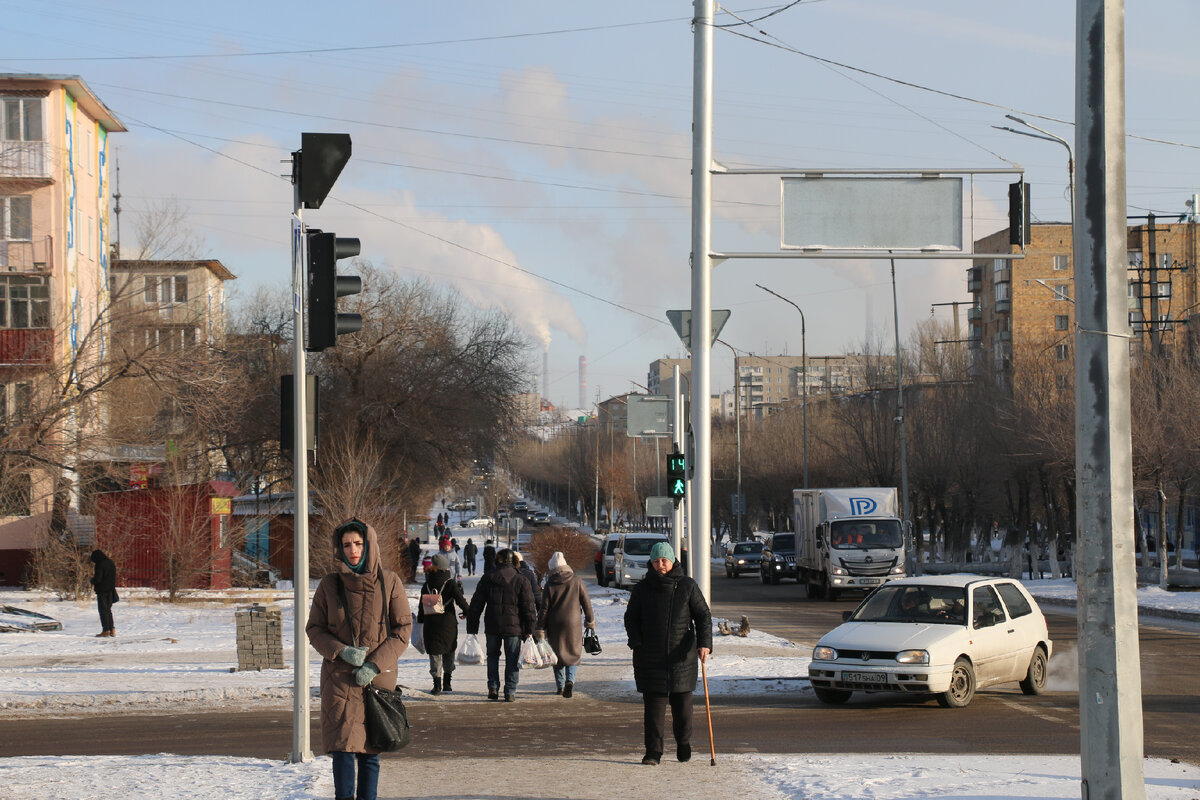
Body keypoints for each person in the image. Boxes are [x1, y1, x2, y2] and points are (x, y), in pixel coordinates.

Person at [306, 520, 411, 800]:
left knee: (370, 753)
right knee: (342, 750)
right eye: (346, 545)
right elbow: (314, 628)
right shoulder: (329, 585)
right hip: (339, 678)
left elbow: (403, 629)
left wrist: (374, 664)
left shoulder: (389, 582)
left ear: (369, 545)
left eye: (358, 543)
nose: (352, 550)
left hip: (376, 680)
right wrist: (341, 651)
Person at [624, 541, 712, 766]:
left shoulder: (687, 586)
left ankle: (684, 743)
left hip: (682, 658)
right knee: (653, 713)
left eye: (664, 560)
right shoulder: (642, 588)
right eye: (656, 561)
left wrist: (705, 644)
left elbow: (703, 616)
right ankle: (653, 752)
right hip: (650, 659)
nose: (660, 564)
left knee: (683, 711)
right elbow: (631, 618)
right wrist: (636, 641)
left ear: (672, 560)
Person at [466, 548, 536, 702]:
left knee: (492, 656)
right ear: (515, 561)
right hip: (514, 627)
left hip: (492, 625)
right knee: (512, 659)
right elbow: (528, 607)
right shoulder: (521, 579)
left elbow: (476, 604)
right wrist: (530, 629)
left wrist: (472, 627)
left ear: (498, 560)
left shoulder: (488, 578)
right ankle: (510, 691)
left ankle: (493, 686)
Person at [538, 551, 595, 698]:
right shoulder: (577, 581)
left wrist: (540, 627)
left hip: (554, 623)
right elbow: (586, 603)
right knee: (573, 653)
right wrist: (590, 621)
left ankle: (560, 685)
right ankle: (570, 681)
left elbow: (544, 609)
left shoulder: (549, 585)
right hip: (573, 622)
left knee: (557, 654)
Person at [418, 554, 470, 695]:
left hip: (431, 625)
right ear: (445, 567)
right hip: (448, 623)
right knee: (448, 651)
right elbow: (461, 600)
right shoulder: (450, 583)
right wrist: (468, 613)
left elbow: (421, 607)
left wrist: (420, 622)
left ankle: (436, 685)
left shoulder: (426, 584)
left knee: (434, 654)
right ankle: (447, 683)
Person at [89, 549, 117, 638]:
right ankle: (112, 629)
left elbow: (98, 579)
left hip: (102, 590)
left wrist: (92, 581)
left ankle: (106, 630)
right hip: (111, 590)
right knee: (108, 610)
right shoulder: (111, 562)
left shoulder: (100, 564)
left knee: (103, 610)